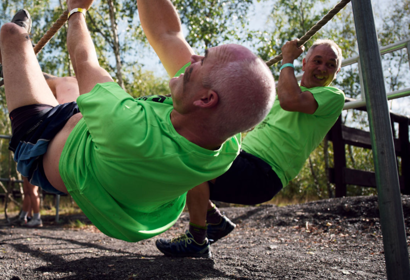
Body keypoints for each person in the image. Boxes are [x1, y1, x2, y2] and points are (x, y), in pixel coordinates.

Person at [0, 0, 274, 244]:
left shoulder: (129, 126)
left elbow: (84, 60)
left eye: (204, 61)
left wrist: (76, 10)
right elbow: (167, 34)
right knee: (68, 84)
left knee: (12, 33)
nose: (195, 57)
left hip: (44, 144)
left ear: (205, 98)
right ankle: (16, 72)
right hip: (91, 140)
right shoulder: (224, 141)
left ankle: (10, 62)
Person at [141, 0, 345, 258]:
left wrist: (286, 61)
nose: (322, 68)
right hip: (244, 157)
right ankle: (212, 220)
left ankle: (198, 236)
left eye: (330, 65)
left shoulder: (331, 95)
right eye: (317, 61)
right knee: (186, 147)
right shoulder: (283, 85)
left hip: (264, 172)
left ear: (336, 73)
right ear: (305, 63)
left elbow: (291, 100)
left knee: (190, 160)